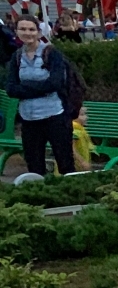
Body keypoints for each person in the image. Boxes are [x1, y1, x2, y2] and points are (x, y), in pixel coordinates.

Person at [5, 16, 76, 175]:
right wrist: (40, 88)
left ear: (38, 32)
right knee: (34, 166)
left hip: (54, 116)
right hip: (29, 119)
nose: (27, 33)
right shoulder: (17, 57)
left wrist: (25, 87)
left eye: (31, 29)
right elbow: (10, 88)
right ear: (16, 31)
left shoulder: (52, 54)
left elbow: (55, 83)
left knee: (65, 163)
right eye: (23, 29)